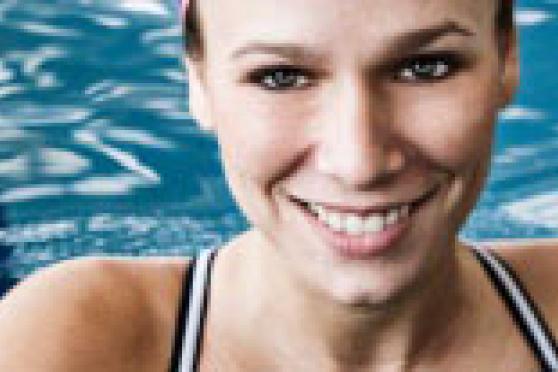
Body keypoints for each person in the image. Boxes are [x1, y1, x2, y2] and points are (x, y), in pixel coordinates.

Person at [1, 0, 557, 370]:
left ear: (507, 60)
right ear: (199, 81)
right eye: (280, 77)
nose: (358, 162)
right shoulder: (76, 341)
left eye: (425, 67)